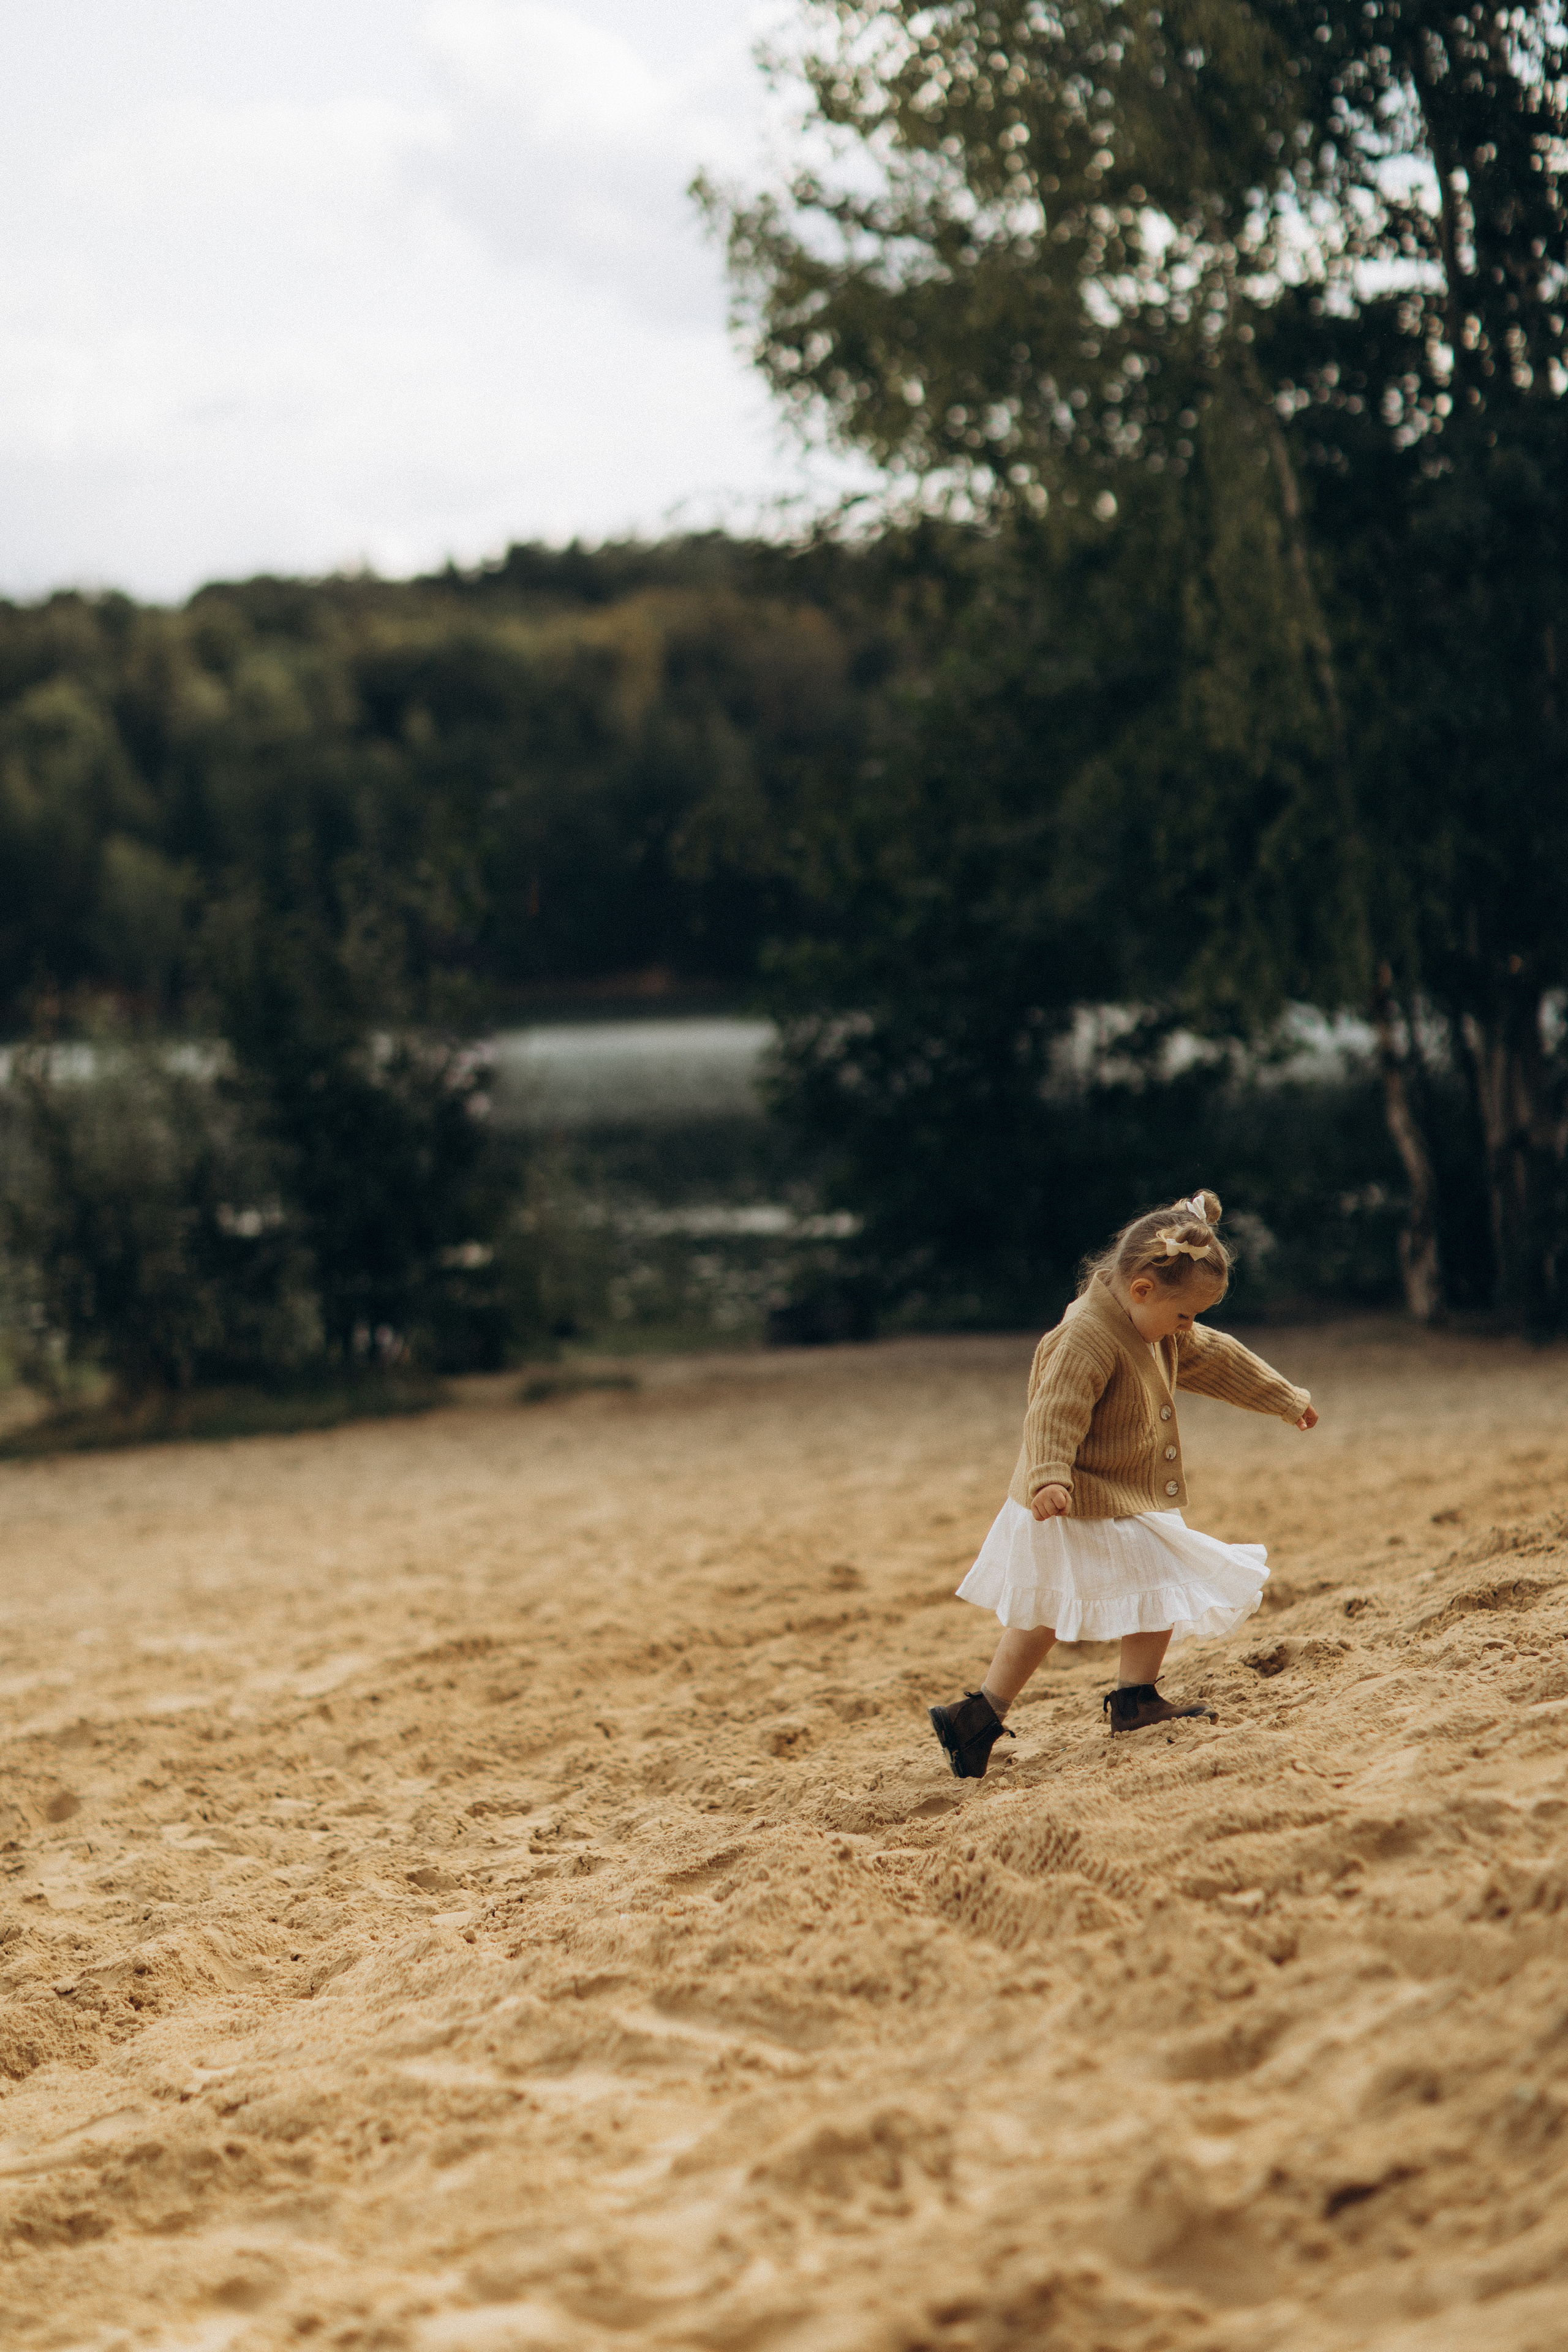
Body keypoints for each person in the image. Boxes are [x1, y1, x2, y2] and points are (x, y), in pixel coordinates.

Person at [929, 1190, 1319, 1778]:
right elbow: (1053, 1412)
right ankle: (1097, 1703)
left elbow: (1215, 1358)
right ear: (1141, 1290)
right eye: (1185, 1314)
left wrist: (1285, 1399)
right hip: (1072, 1497)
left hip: (1116, 1493)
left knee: (1058, 1609)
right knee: (1093, 1595)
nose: (1189, 1328)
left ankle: (983, 1715)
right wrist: (1048, 1477)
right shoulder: (1087, 1335)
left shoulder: (1153, 1325)